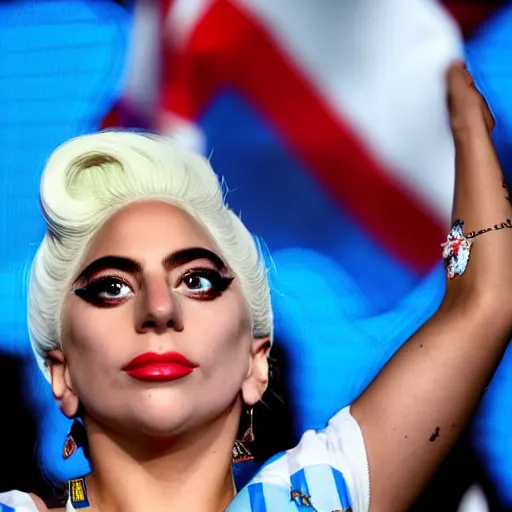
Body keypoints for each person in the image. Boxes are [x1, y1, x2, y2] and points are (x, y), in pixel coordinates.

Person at [0, 61, 510, 512]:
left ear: (256, 362)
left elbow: (484, 303)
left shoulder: (315, 496)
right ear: (61, 371)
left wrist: (463, 116)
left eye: (196, 280)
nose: (158, 308)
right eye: (112, 287)